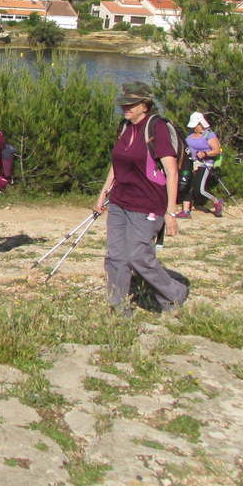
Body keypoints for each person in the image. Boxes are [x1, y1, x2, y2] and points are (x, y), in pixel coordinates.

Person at [94, 82, 188, 315]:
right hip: (119, 201)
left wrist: (171, 211)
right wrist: (103, 192)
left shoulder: (157, 128)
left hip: (148, 204)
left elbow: (172, 171)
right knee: (116, 256)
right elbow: (117, 164)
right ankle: (118, 307)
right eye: (124, 103)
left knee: (138, 256)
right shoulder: (125, 127)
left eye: (131, 103)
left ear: (145, 105)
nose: (125, 107)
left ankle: (174, 293)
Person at [176, 111, 223, 218]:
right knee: (187, 186)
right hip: (191, 164)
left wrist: (205, 153)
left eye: (195, 125)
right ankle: (186, 211)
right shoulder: (191, 135)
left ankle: (217, 201)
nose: (194, 128)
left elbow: (216, 150)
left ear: (200, 124)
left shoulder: (209, 135)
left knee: (199, 189)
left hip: (204, 164)